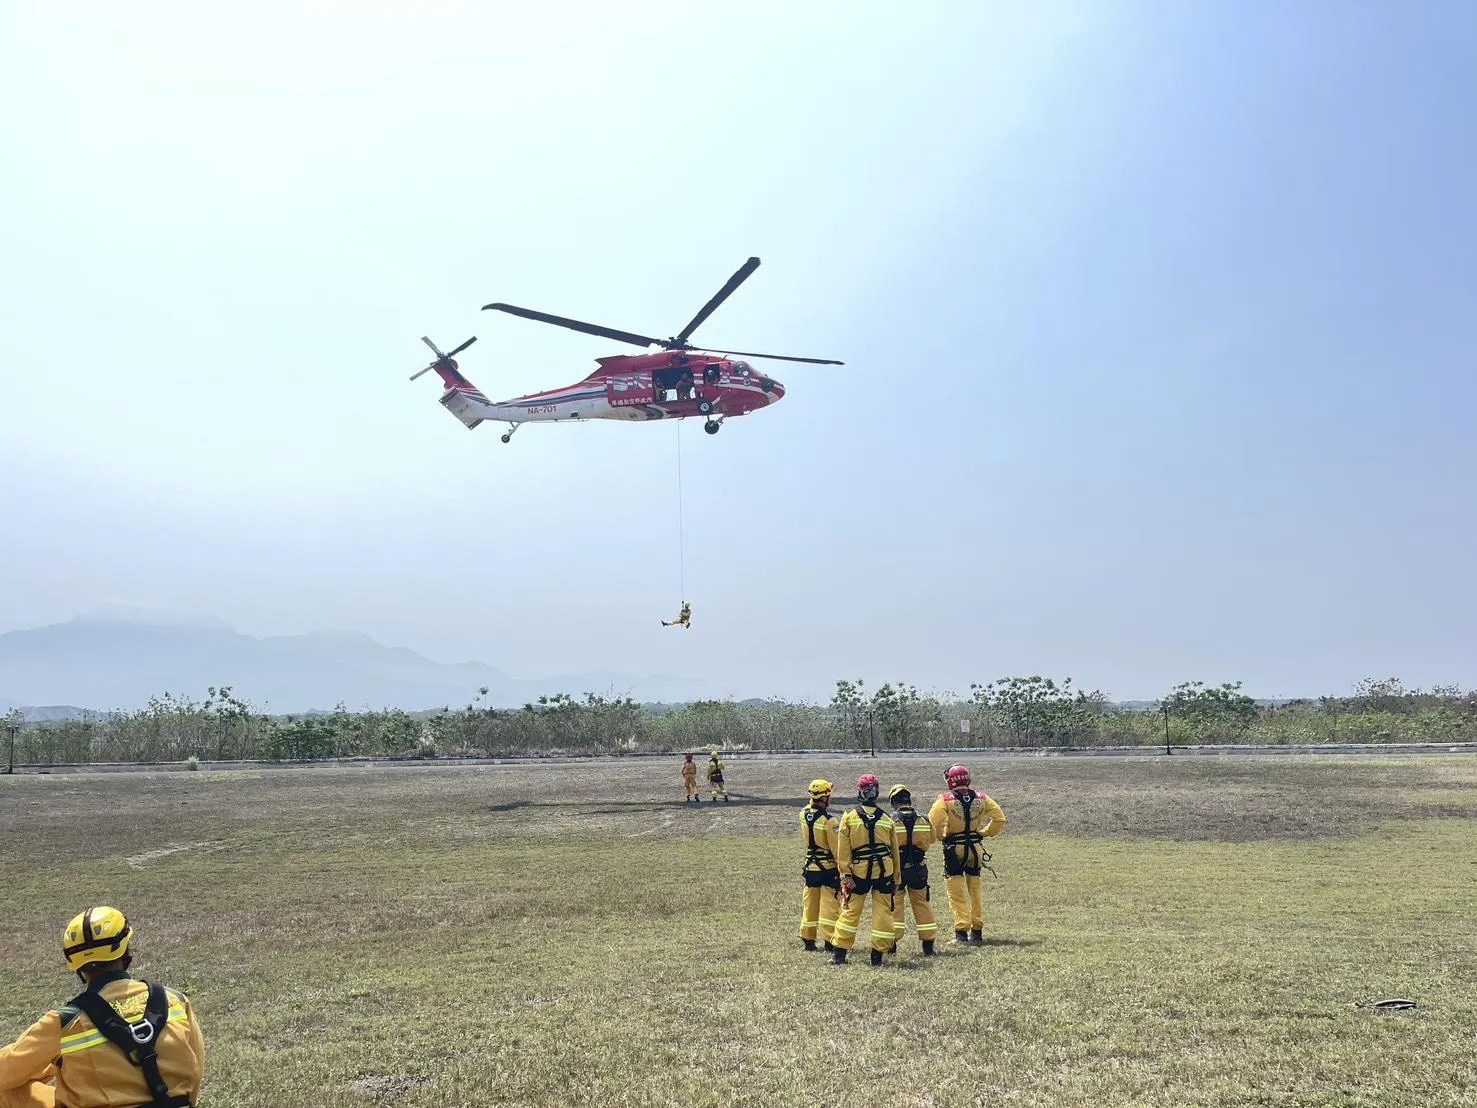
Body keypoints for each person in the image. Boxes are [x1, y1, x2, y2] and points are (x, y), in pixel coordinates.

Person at [0, 906, 205, 1108]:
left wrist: (47, 1067)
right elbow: (196, 1071)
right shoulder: (175, 1000)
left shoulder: (64, 1022)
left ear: (76, 964)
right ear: (125, 950)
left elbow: (5, 1073)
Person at [928, 763, 1006, 944]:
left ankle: (961, 932)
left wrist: (942, 836)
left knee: (956, 891)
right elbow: (999, 818)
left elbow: (932, 822)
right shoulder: (982, 797)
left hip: (954, 849)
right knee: (975, 889)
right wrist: (984, 833)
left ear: (950, 781)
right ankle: (977, 931)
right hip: (975, 849)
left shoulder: (945, 799)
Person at [830, 773, 902, 965]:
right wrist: (896, 878)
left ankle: (840, 954)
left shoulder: (849, 817)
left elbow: (843, 851)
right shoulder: (886, 819)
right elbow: (895, 852)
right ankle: (877, 956)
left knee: (850, 910)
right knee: (883, 912)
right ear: (877, 792)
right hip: (884, 872)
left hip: (858, 873)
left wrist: (845, 874)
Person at [886, 784, 938, 956]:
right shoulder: (924, 819)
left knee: (895, 905)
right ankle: (928, 945)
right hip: (919, 869)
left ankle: (892, 945)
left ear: (893, 802)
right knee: (922, 904)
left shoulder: (890, 820)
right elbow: (932, 839)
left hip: (897, 871)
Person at [798, 779, 841, 952]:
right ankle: (830, 941)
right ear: (825, 797)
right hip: (828, 869)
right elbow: (836, 849)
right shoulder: (830, 821)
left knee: (810, 904)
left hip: (810, 867)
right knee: (830, 906)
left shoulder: (802, 814)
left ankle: (808, 940)